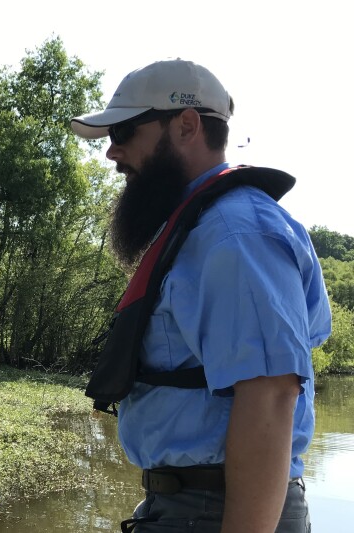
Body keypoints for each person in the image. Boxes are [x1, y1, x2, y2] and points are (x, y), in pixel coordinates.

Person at [70, 59, 332, 532]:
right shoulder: (202, 228)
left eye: (125, 132)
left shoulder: (236, 234)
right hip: (188, 508)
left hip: (219, 511)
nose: (112, 152)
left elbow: (271, 395)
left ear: (186, 125)